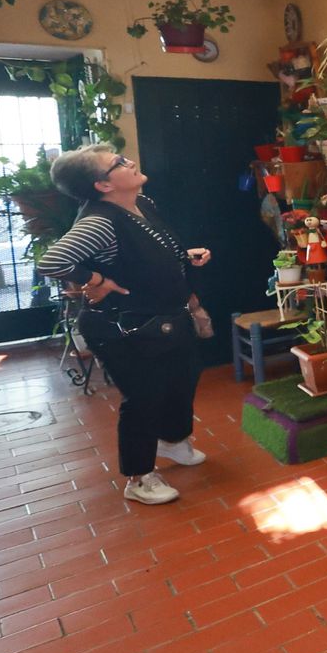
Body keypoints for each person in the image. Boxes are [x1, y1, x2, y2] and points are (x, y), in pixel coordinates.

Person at [38, 145, 211, 505]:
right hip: (123, 328)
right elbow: (51, 261)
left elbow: (148, 250)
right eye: (118, 163)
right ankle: (139, 477)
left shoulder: (140, 204)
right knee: (145, 397)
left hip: (165, 318)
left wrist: (185, 256)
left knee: (183, 378)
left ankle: (174, 442)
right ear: (102, 185)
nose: (129, 161)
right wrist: (97, 280)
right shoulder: (100, 221)